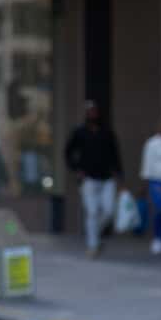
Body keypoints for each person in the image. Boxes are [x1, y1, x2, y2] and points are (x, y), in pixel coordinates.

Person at [64, 101, 122, 258]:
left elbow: (115, 154)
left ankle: (94, 234)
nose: (93, 114)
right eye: (90, 111)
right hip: (88, 179)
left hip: (107, 178)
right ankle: (93, 245)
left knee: (109, 210)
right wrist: (76, 170)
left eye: (95, 111)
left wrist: (119, 173)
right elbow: (68, 152)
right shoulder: (79, 132)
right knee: (92, 211)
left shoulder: (107, 132)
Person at [140, 119, 161, 255]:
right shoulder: (152, 144)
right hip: (157, 181)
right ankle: (158, 238)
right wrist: (146, 184)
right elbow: (147, 164)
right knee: (160, 209)